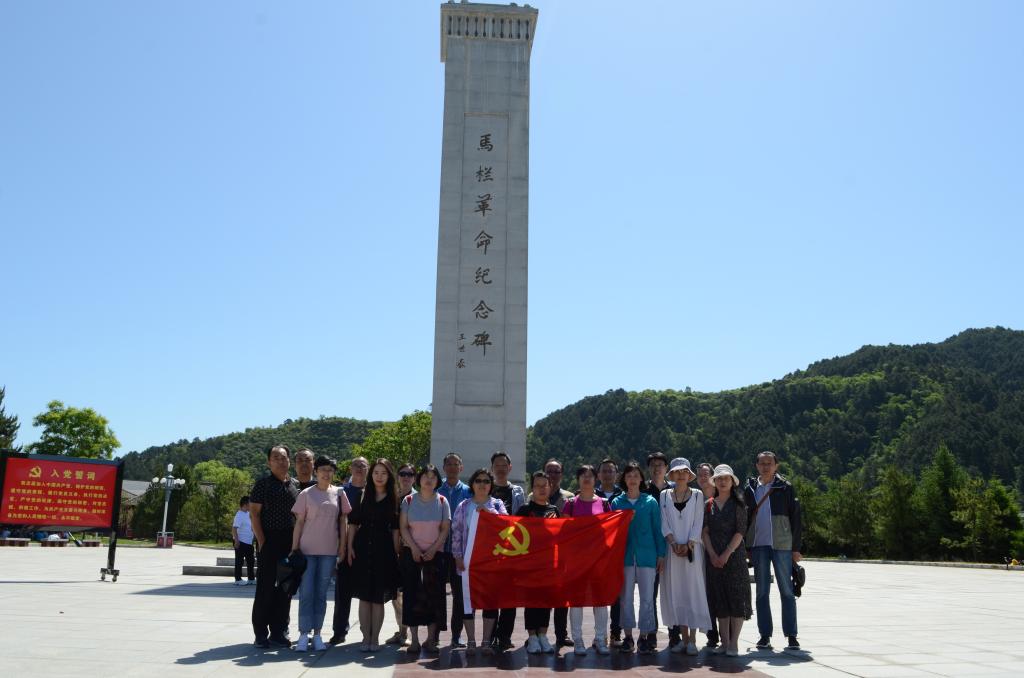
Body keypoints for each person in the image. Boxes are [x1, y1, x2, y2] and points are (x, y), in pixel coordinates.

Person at [290, 455, 351, 652]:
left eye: (330, 470)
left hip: (329, 552)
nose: (327, 473)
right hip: (307, 551)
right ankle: (303, 634)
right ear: (316, 471)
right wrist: (294, 548)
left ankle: (317, 634)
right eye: (323, 469)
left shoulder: (339, 493)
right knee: (306, 593)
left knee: (321, 594)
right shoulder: (306, 494)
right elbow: (299, 522)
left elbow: (343, 521)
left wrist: (342, 547)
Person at [744, 451, 802, 651]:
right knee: (762, 592)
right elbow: (745, 518)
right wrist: (746, 546)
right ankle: (764, 635)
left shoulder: (785, 487)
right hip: (758, 545)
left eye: (770, 463)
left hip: (782, 545)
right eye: (762, 463)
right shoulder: (750, 488)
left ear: (776, 466)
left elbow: (796, 517)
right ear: (757, 466)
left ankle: (791, 635)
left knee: (787, 590)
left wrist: (796, 548)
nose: (766, 466)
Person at [249, 444, 300, 649]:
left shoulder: (294, 485)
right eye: (276, 457)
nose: (280, 461)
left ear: (289, 461)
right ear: (269, 462)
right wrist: (262, 542)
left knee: (286, 589)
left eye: (283, 457)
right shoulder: (262, 484)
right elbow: (254, 514)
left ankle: (279, 632)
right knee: (265, 589)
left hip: (289, 542)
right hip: (269, 541)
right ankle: (260, 633)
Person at [451, 467, 507, 653]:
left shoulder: (497, 504)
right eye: (478, 480)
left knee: (490, 602)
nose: (482, 484)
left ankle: (486, 642)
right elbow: (456, 532)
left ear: (491, 485)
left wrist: (489, 513)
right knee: (467, 602)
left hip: (491, 563)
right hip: (467, 563)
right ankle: (471, 641)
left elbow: (507, 525)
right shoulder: (464, 506)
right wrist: (458, 556)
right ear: (472, 484)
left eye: (486, 481)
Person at [347, 458, 400, 652]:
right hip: (362, 549)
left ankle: (375, 638)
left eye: (383, 473)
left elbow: (395, 530)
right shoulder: (362, 495)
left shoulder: (394, 499)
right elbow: (353, 524)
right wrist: (349, 547)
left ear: (389, 476)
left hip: (384, 551)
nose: (379, 476)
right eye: (376, 472)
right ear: (371, 475)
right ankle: (365, 638)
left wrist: (397, 553)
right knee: (364, 597)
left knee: (378, 598)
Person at [611, 461, 664, 654]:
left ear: (641, 478)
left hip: (647, 555)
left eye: (636, 475)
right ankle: (628, 637)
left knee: (647, 598)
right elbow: (611, 532)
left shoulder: (650, 502)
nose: (632, 479)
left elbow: (658, 529)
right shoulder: (616, 503)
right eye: (629, 476)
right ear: (624, 479)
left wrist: (661, 554)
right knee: (625, 599)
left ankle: (644, 637)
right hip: (624, 557)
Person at [659, 458, 711, 655]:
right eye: (677, 472)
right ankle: (683, 638)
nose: (681, 475)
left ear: (689, 475)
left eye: (684, 472)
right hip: (672, 552)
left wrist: (688, 544)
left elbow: (698, 523)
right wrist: (673, 544)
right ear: (671, 475)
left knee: (693, 592)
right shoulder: (664, 495)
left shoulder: (697, 495)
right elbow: (664, 523)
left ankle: (693, 640)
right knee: (677, 592)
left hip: (693, 551)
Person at [399, 463, 451, 654]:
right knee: (411, 596)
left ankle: (431, 640)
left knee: (434, 597)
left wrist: (433, 549)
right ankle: (414, 640)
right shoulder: (408, 500)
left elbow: (445, 529)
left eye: (433, 477)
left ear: (437, 481)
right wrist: (413, 547)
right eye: (425, 476)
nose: (429, 480)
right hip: (411, 553)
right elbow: (403, 527)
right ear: (419, 479)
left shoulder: (443, 501)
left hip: (435, 554)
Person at [562, 464, 612, 656]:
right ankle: (578, 640)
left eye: (590, 475)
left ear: (595, 479)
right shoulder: (570, 504)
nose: (587, 478)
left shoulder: (604, 504)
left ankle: (600, 638)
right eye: (583, 475)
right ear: (578, 479)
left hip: (598, 559)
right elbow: (565, 531)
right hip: (576, 560)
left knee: (600, 600)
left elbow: (610, 529)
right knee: (576, 601)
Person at [703, 464, 751, 657]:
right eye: (719, 478)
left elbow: (740, 532)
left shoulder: (739, 504)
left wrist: (726, 554)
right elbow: (705, 532)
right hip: (713, 558)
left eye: (726, 478)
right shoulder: (709, 504)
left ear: (732, 481)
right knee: (720, 600)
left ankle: (734, 643)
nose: (722, 481)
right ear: (714, 482)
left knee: (736, 600)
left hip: (735, 557)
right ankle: (723, 642)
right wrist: (713, 554)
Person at [517, 471, 560, 654]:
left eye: (545, 485)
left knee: (546, 601)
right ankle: (532, 637)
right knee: (532, 601)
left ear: (550, 487)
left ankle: (543, 635)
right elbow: (514, 534)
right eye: (537, 486)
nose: (541, 489)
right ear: (532, 488)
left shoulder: (554, 511)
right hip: (530, 565)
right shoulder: (525, 510)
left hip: (549, 565)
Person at [330, 456, 368, 644]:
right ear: (350, 469)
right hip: (344, 548)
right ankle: (339, 631)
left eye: (363, 465)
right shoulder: (341, 492)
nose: (359, 468)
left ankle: (368, 632)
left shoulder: (374, 491)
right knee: (342, 593)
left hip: (368, 549)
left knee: (368, 595)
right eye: (356, 465)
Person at [489, 451, 524, 652]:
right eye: (497, 465)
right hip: (491, 550)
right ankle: (490, 634)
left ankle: (504, 636)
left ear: (510, 468)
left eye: (504, 465)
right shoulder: (487, 488)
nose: (501, 468)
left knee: (510, 597)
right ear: (492, 467)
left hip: (513, 549)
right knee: (492, 595)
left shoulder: (517, 492)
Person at [438, 452, 472, 648]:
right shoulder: (436, 489)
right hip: (439, 550)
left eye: (455, 464)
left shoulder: (468, 492)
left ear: (461, 467)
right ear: (444, 467)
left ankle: (456, 635)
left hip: (460, 552)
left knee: (459, 596)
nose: (452, 467)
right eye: (448, 464)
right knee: (436, 594)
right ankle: (434, 634)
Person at [643, 451, 675, 647]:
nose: (656, 468)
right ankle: (651, 633)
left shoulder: (674, 490)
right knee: (651, 593)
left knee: (672, 591)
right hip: (652, 547)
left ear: (666, 468)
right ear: (649, 468)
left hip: (672, 546)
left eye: (660, 465)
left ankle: (675, 633)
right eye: (653, 465)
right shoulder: (643, 490)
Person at [386, 462, 417, 647]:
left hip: (408, 551)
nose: (406, 477)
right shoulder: (392, 498)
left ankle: (407, 632)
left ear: (414, 478)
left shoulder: (417, 499)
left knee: (407, 595)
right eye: (403, 474)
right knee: (395, 595)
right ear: (397, 477)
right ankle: (401, 630)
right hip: (391, 552)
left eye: (410, 474)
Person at [595, 458, 623, 645]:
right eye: (604, 471)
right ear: (598, 475)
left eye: (610, 471)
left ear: (617, 474)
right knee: (599, 595)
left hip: (618, 551)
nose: (607, 474)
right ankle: (600, 635)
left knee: (617, 595)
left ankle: (615, 633)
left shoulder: (624, 495)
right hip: (597, 552)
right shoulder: (591, 495)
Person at [695, 461, 720, 649]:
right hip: (700, 551)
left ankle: (725, 632)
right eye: (700, 475)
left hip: (719, 549)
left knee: (719, 591)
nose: (703, 477)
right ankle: (712, 633)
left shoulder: (722, 496)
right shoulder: (695, 497)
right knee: (705, 592)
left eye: (706, 474)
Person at [232, 496, 256, 586]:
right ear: (245, 504)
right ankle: (238, 579)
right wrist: (236, 541)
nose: (251, 505)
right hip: (240, 542)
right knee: (239, 561)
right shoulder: (239, 515)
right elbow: (234, 528)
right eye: (250, 503)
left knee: (251, 561)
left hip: (249, 542)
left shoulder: (248, 514)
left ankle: (251, 579)